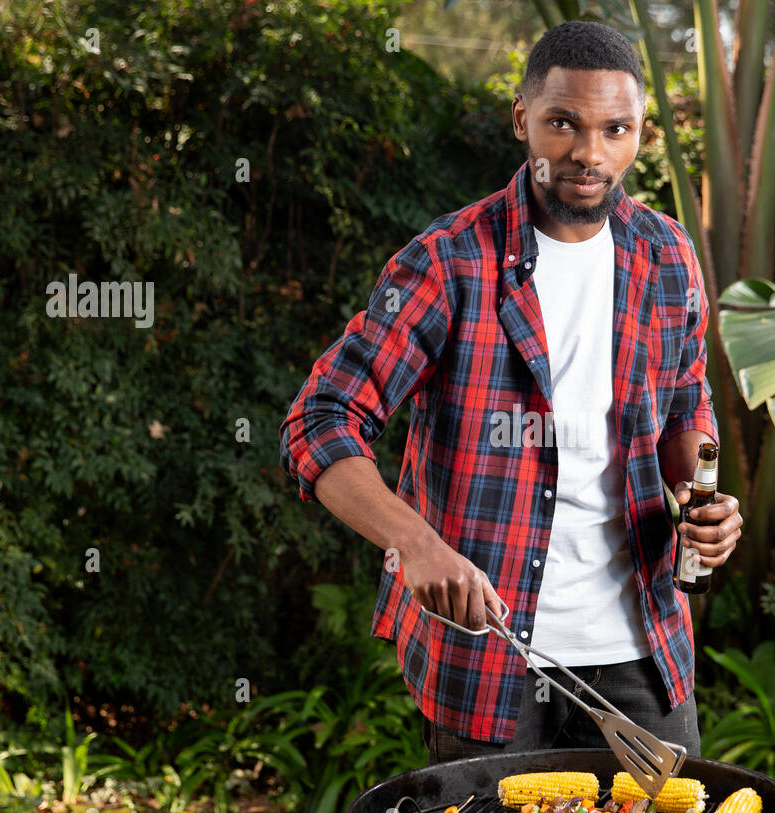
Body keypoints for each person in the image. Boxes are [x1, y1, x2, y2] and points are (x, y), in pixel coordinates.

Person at [280, 20, 742, 765]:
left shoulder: (667, 255)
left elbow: (687, 402)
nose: (589, 154)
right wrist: (416, 547)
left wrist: (701, 499)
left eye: (614, 129)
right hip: (488, 660)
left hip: (643, 651)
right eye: (564, 123)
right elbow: (320, 419)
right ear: (523, 119)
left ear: (639, 135)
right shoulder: (450, 262)